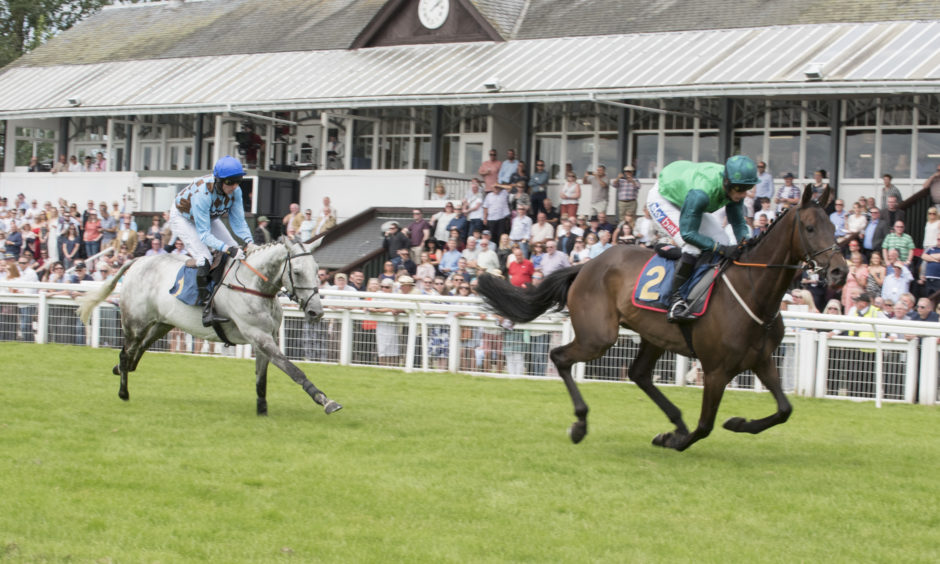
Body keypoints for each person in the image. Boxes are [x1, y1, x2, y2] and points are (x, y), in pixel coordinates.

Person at [646, 156, 756, 322]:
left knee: (723, 239)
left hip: (686, 195)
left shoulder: (734, 186)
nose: (744, 194)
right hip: (664, 199)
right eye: (741, 190)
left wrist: (747, 244)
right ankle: (675, 301)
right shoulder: (702, 193)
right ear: (727, 183)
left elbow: (738, 222)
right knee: (693, 246)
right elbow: (688, 234)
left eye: (748, 188)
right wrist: (720, 249)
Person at [169, 155, 254, 326]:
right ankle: (206, 310)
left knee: (236, 248)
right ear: (219, 180)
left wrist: (249, 242)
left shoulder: (235, 191)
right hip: (184, 218)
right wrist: (227, 249)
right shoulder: (203, 194)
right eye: (231, 182)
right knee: (205, 257)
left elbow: (238, 222)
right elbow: (204, 235)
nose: (235, 186)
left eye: (239, 181)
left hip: (210, 217)